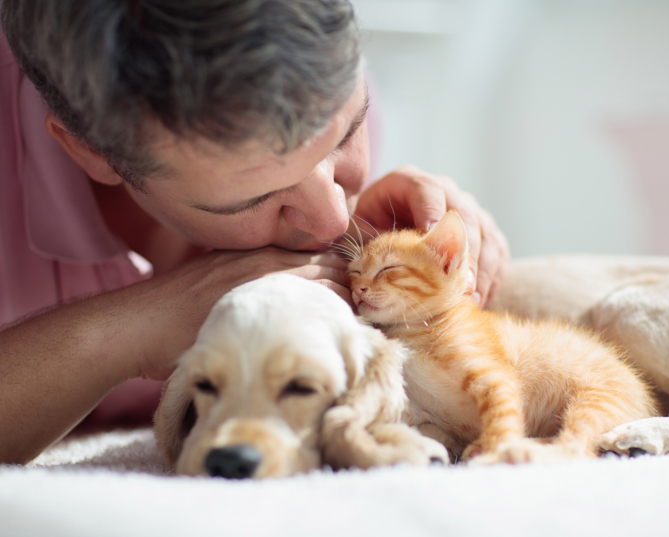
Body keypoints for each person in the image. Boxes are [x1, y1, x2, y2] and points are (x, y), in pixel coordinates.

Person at [0, 0, 509, 465]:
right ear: (90, 151)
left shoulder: (308, 73)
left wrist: (406, 267)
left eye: (349, 134)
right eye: (255, 199)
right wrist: (137, 324)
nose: (335, 218)